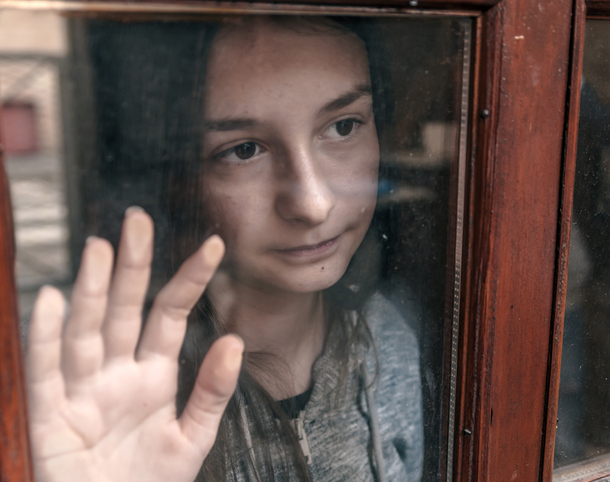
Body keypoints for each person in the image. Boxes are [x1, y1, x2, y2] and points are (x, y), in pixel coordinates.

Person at [25, 16, 423, 482]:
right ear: (177, 181)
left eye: (343, 126)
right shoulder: (90, 385)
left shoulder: (386, 342)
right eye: (244, 150)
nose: (314, 204)